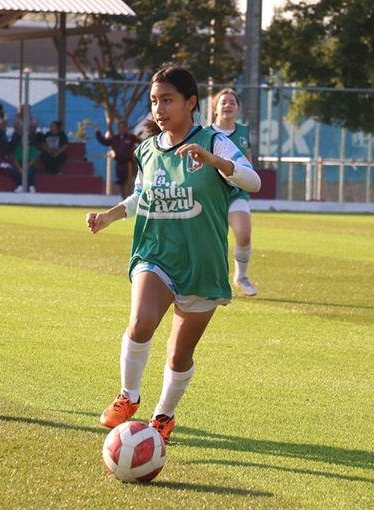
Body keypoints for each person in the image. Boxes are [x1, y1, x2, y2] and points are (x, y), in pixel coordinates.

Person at [86, 63, 260, 444]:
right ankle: (128, 396)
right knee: (140, 322)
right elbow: (140, 196)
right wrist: (109, 217)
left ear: (190, 102)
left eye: (167, 100)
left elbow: (253, 180)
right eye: (154, 101)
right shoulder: (147, 150)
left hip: (201, 261)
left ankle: (163, 416)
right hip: (156, 252)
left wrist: (214, 161)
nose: (158, 109)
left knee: (179, 355)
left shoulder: (214, 141)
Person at [211, 88, 258, 296]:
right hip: (211, 194)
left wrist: (248, 177)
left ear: (238, 109)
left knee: (243, 234)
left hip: (235, 193)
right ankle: (207, 280)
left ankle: (241, 277)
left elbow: (247, 159)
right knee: (210, 241)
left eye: (232, 102)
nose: (228, 105)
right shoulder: (205, 133)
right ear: (215, 108)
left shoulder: (244, 132)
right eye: (223, 102)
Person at [94, 120, 142, 199]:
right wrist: (97, 132)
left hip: (128, 164)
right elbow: (104, 142)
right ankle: (123, 199)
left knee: (127, 182)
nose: (121, 129)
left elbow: (141, 143)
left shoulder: (131, 137)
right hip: (119, 164)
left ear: (126, 128)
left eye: (123, 127)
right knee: (120, 183)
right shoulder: (115, 138)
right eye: (120, 127)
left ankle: (128, 199)